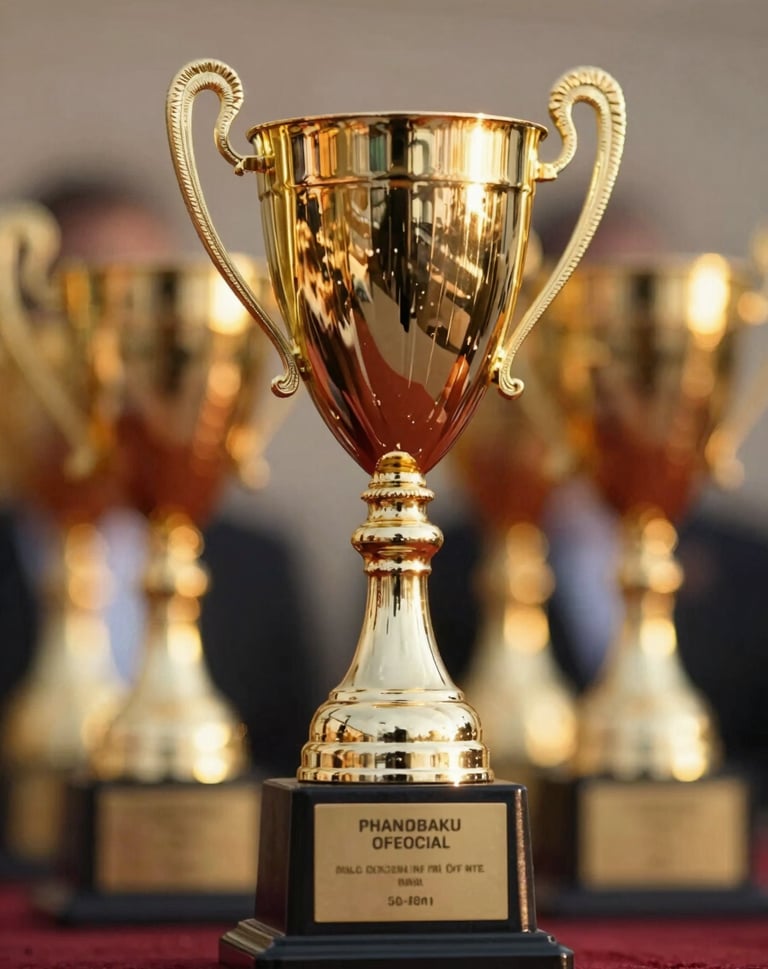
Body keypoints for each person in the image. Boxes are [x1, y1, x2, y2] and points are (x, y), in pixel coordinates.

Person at [0, 174, 317, 779]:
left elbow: (288, 767)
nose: (125, 341)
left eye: (151, 304)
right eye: (93, 302)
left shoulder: (258, 567)